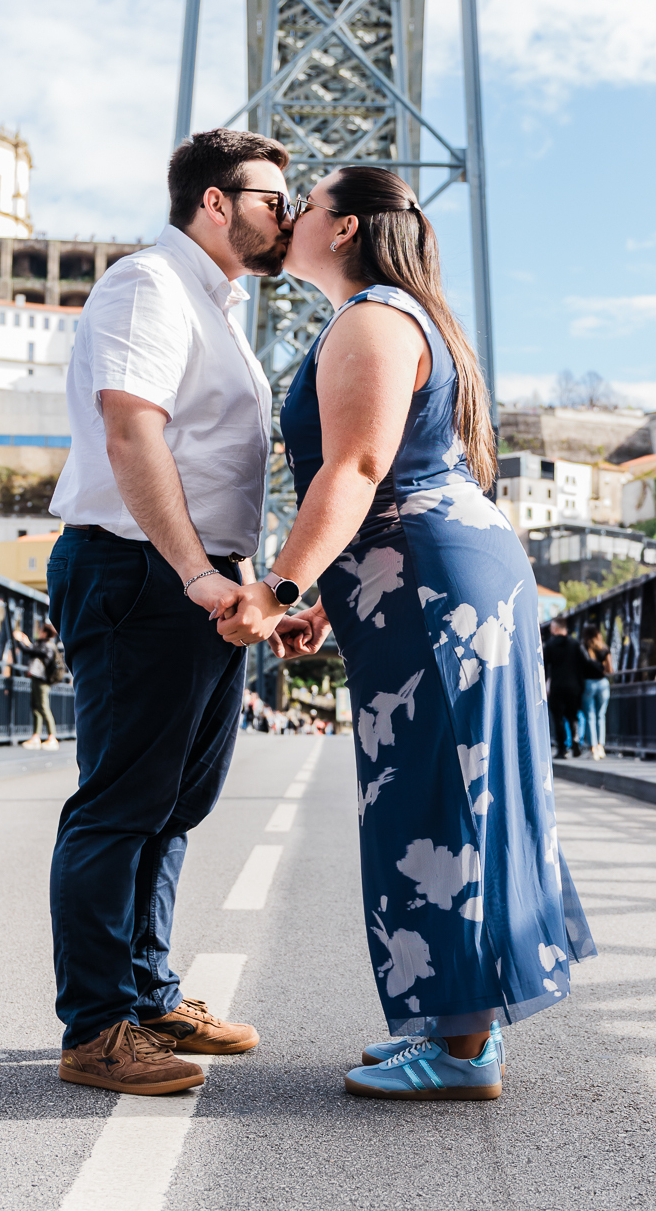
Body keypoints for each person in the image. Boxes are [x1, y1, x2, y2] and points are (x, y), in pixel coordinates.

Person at [215, 165, 596, 1102]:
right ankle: (458, 1026)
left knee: (440, 790)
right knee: (450, 781)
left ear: (341, 228)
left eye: (302, 204)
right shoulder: (394, 314)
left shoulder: (373, 318)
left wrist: (275, 586)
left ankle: (462, 1050)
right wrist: (323, 608)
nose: (290, 214)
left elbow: (358, 465)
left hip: (434, 583)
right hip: (432, 579)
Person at [44, 128, 293, 1097]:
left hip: (195, 576)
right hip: (142, 570)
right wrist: (195, 573)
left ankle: (149, 994)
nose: (289, 212)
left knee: (173, 805)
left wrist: (259, 583)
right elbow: (130, 428)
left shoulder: (215, 302)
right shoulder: (150, 283)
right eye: (273, 197)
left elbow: (209, 460)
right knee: (119, 806)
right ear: (215, 202)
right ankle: (96, 1028)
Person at [11, 620, 62, 750]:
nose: (38, 633)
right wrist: (25, 641)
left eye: (40, 631)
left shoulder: (48, 647)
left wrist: (19, 640)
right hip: (37, 679)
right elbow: (32, 649)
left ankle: (52, 737)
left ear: (45, 633)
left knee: (43, 707)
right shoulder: (43, 645)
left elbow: (30, 650)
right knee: (36, 707)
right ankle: (36, 736)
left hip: (42, 680)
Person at [543, 617, 586, 759]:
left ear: (555, 628)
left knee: (558, 719)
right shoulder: (575, 644)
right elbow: (584, 664)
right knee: (573, 716)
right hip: (573, 687)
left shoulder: (549, 645)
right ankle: (575, 742)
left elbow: (543, 667)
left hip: (557, 686)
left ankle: (562, 749)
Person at [580, 623, 612, 761]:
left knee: (590, 716)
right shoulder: (604, 649)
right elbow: (610, 670)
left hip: (588, 684)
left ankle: (592, 747)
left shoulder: (583, 649)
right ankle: (601, 746)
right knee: (601, 715)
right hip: (602, 683)